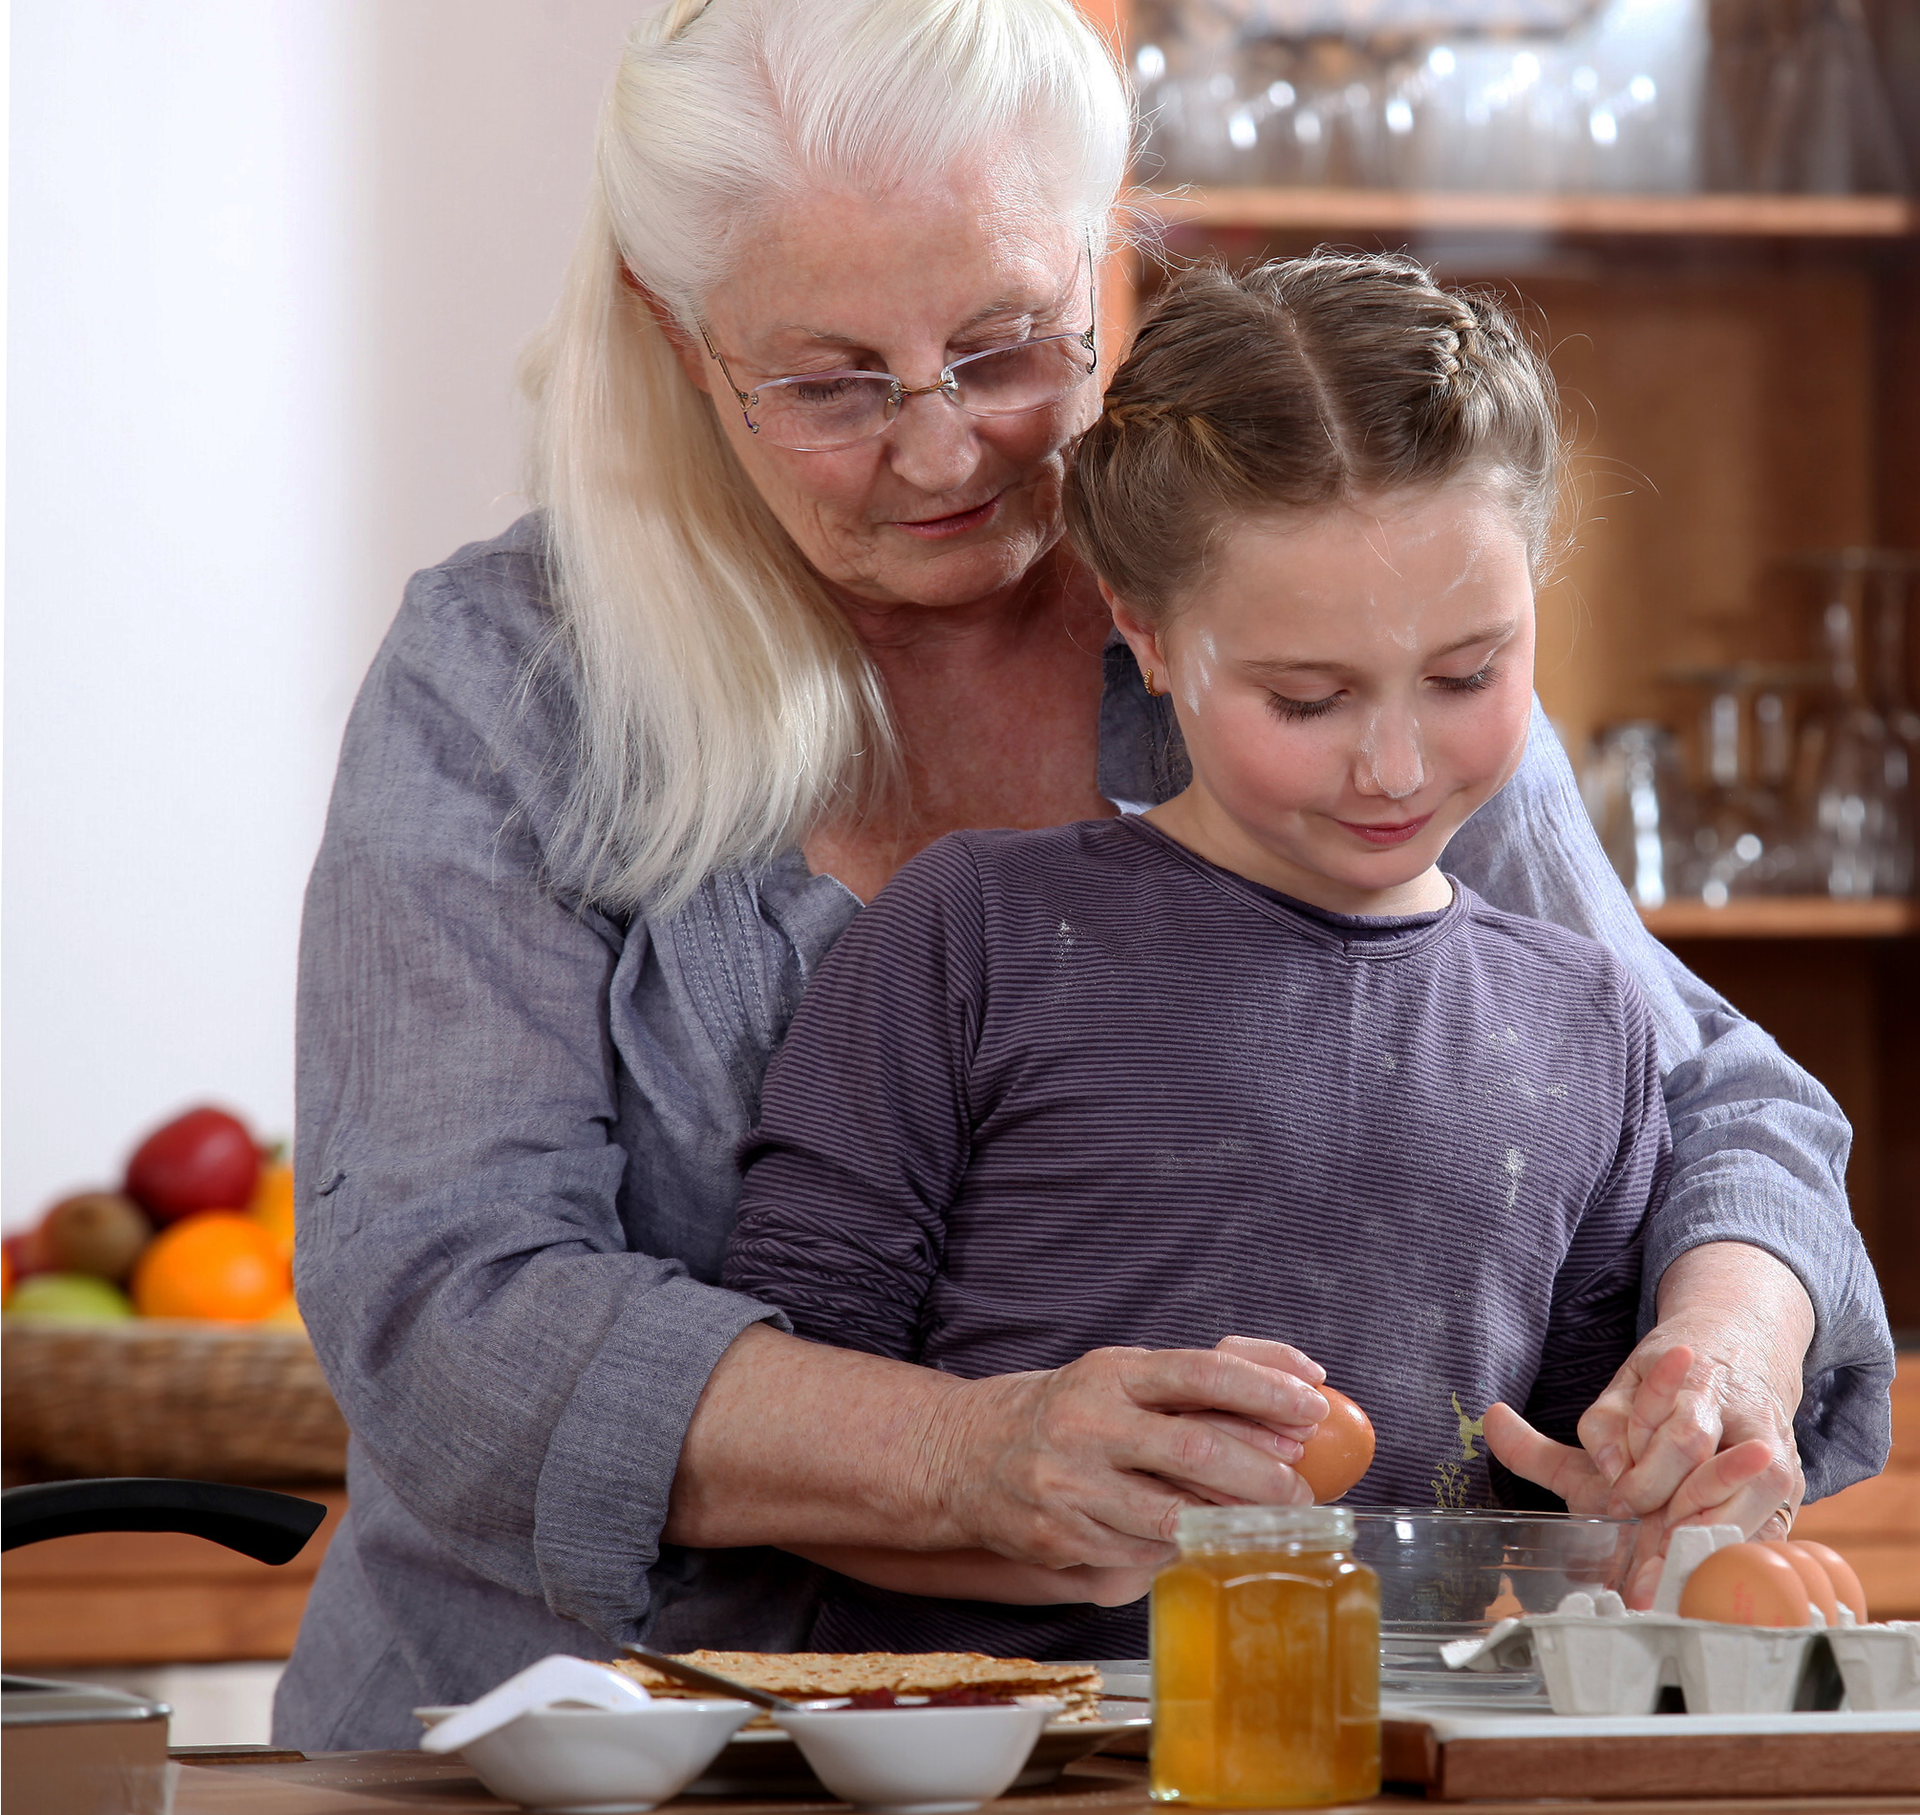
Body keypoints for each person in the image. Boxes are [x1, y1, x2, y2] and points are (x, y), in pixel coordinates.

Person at [277, 0, 1893, 1752]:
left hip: (1199, 1746)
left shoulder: (1295, 634)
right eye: (828, 380)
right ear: (679, 337)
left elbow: (1713, 1100)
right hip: (566, 1747)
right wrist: (964, 1454)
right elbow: (448, 1304)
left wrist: (1718, 1348)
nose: (941, 445)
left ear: (1107, 262)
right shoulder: (504, 682)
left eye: (1005, 346)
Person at [720, 252, 1673, 1658]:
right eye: (1308, 695)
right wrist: (1026, 1496)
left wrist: (1669, 1529)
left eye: (1470, 675)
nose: (1395, 762)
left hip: (1401, 1757)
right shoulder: (972, 932)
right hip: (1002, 1758)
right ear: (1147, 635)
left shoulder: (1588, 1019)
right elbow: (793, 1428)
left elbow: (1566, 1508)